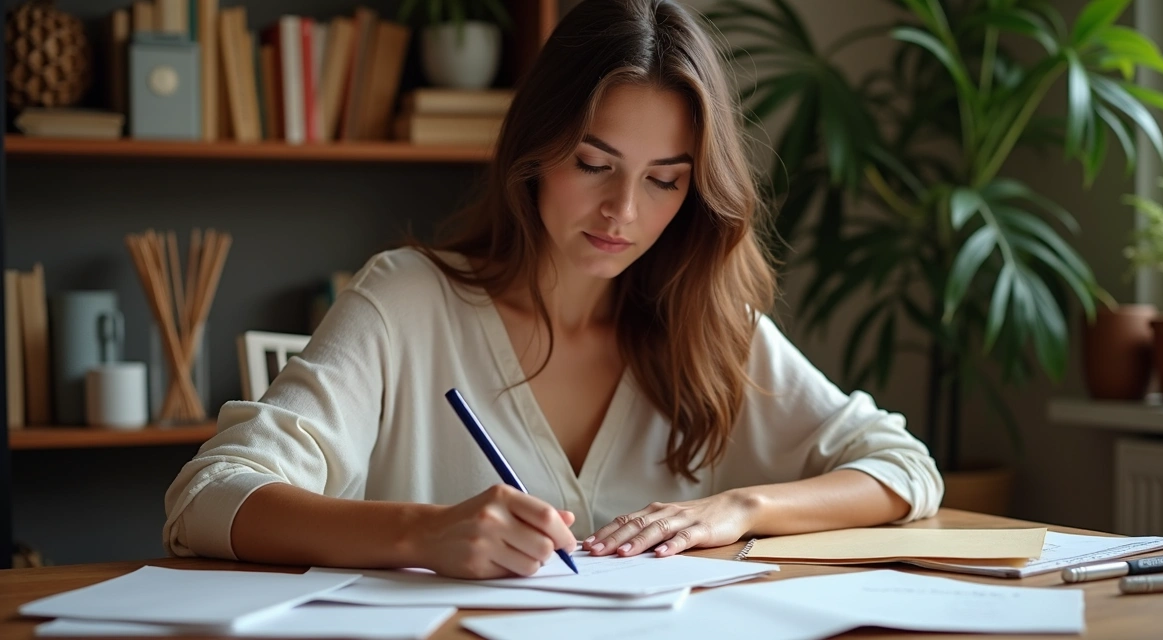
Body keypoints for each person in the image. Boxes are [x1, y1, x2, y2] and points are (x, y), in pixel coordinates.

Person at [163, 0, 943, 580]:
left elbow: (903, 467)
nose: (622, 211)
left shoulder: (709, 325)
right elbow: (207, 496)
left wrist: (739, 508)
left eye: (665, 180)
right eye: (594, 164)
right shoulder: (407, 302)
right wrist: (422, 534)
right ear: (535, 151)